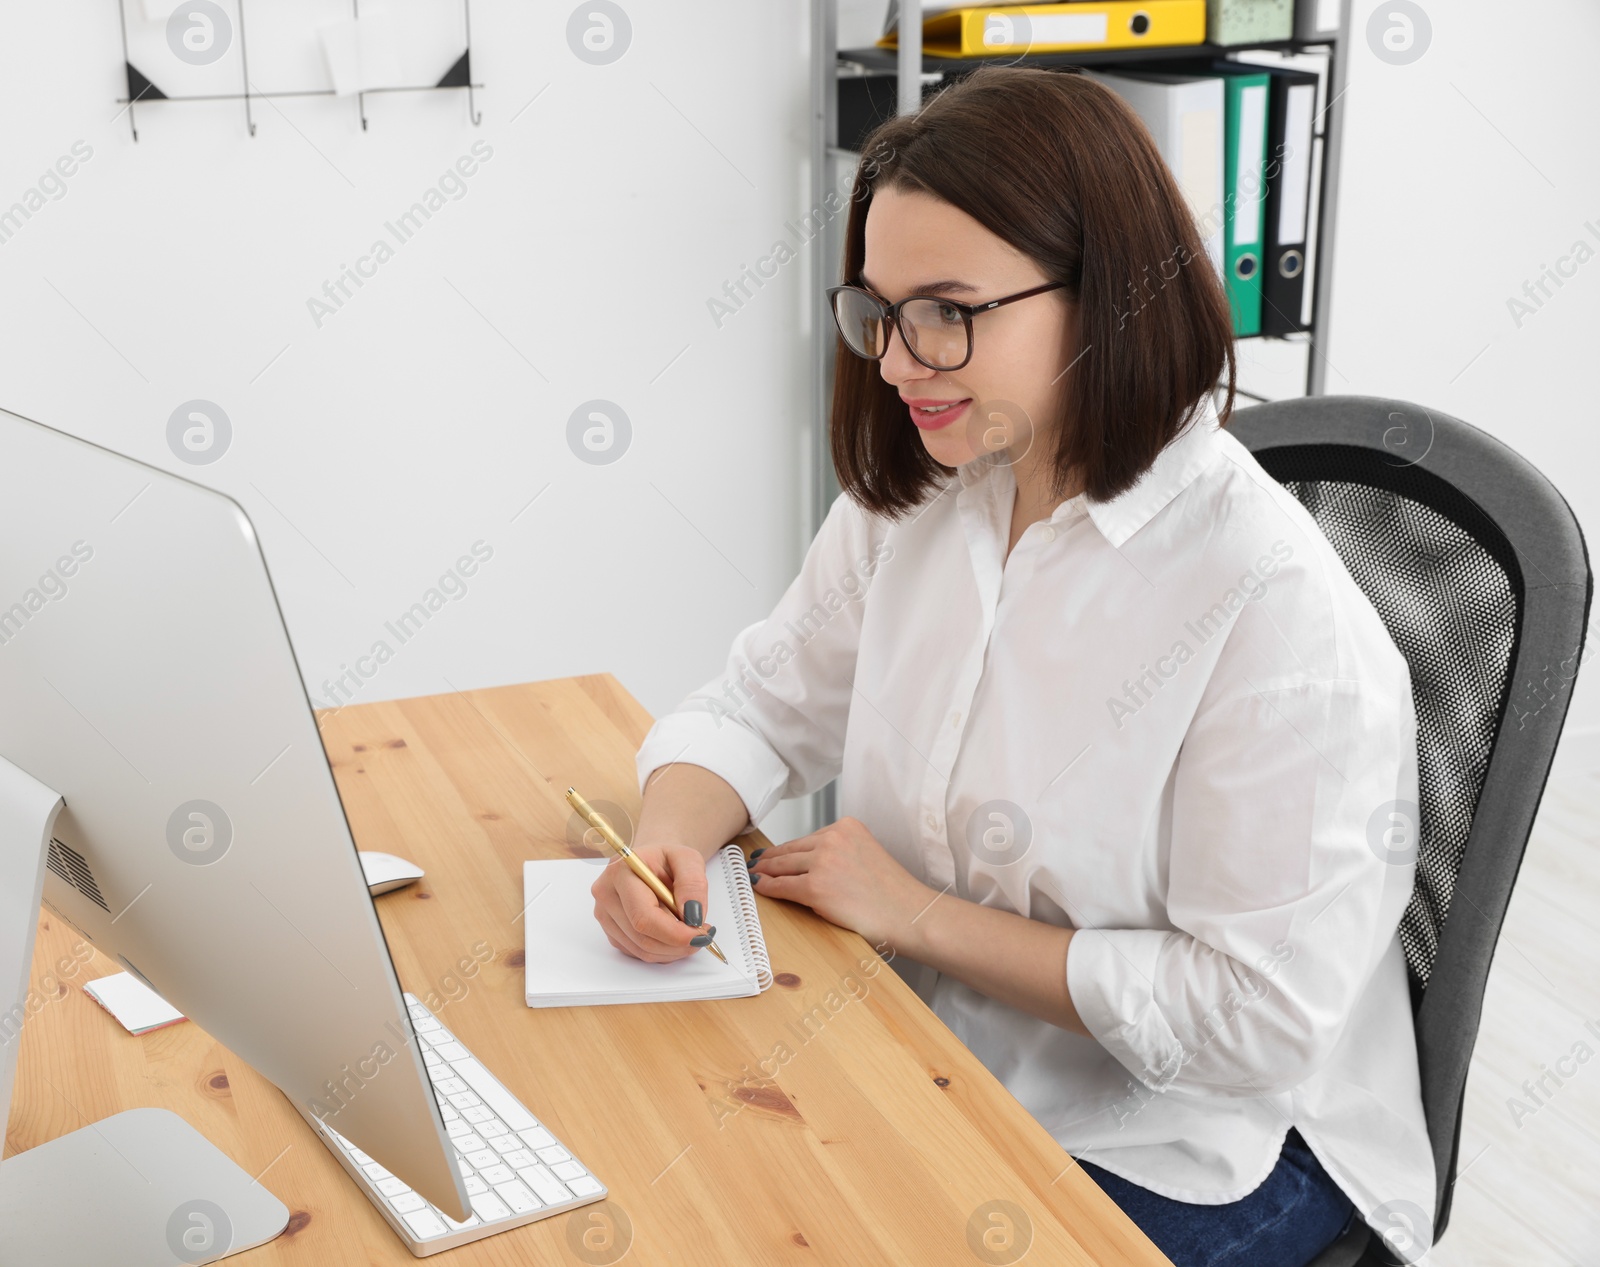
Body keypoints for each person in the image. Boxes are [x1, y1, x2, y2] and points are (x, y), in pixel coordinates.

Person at [591, 65, 1435, 1267]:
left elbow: (1255, 1021)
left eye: (948, 310)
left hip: (1193, 1141)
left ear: (1108, 299)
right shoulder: (930, 491)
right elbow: (762, 703)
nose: (895, 360)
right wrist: (665, 831)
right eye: (878, 310)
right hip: (930, 1044)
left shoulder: (1273, 612)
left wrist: (919, 914)